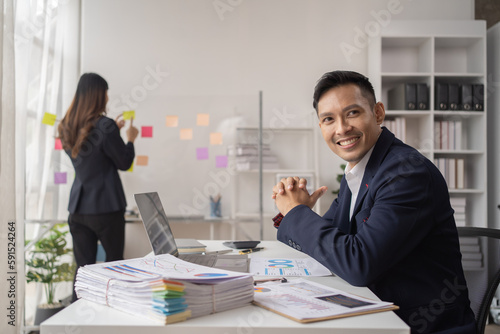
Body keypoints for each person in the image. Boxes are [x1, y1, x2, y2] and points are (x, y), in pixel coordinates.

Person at [271, 70, 476, 333]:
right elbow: (331, 243)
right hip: (379, 314)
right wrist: (294, 212)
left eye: (352, 113)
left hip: (422, 325)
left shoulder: (406, 173)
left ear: (378, 113)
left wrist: (297, 212)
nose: (342, 128)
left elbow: (359, 264)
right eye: (329, 119)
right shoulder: (360, 170)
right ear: (321, 126)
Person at [57, 73, 139, 301]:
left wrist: (113, 130)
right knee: (114, 268)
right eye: (105, 92)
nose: (107, 98)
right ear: (97, 95)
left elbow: (91, 154)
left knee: (83, 271)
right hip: (106, 208)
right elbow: (123, 162)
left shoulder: (67, 126)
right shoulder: (106, 126)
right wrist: (130, 139)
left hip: (78, 208)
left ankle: (76, 321)